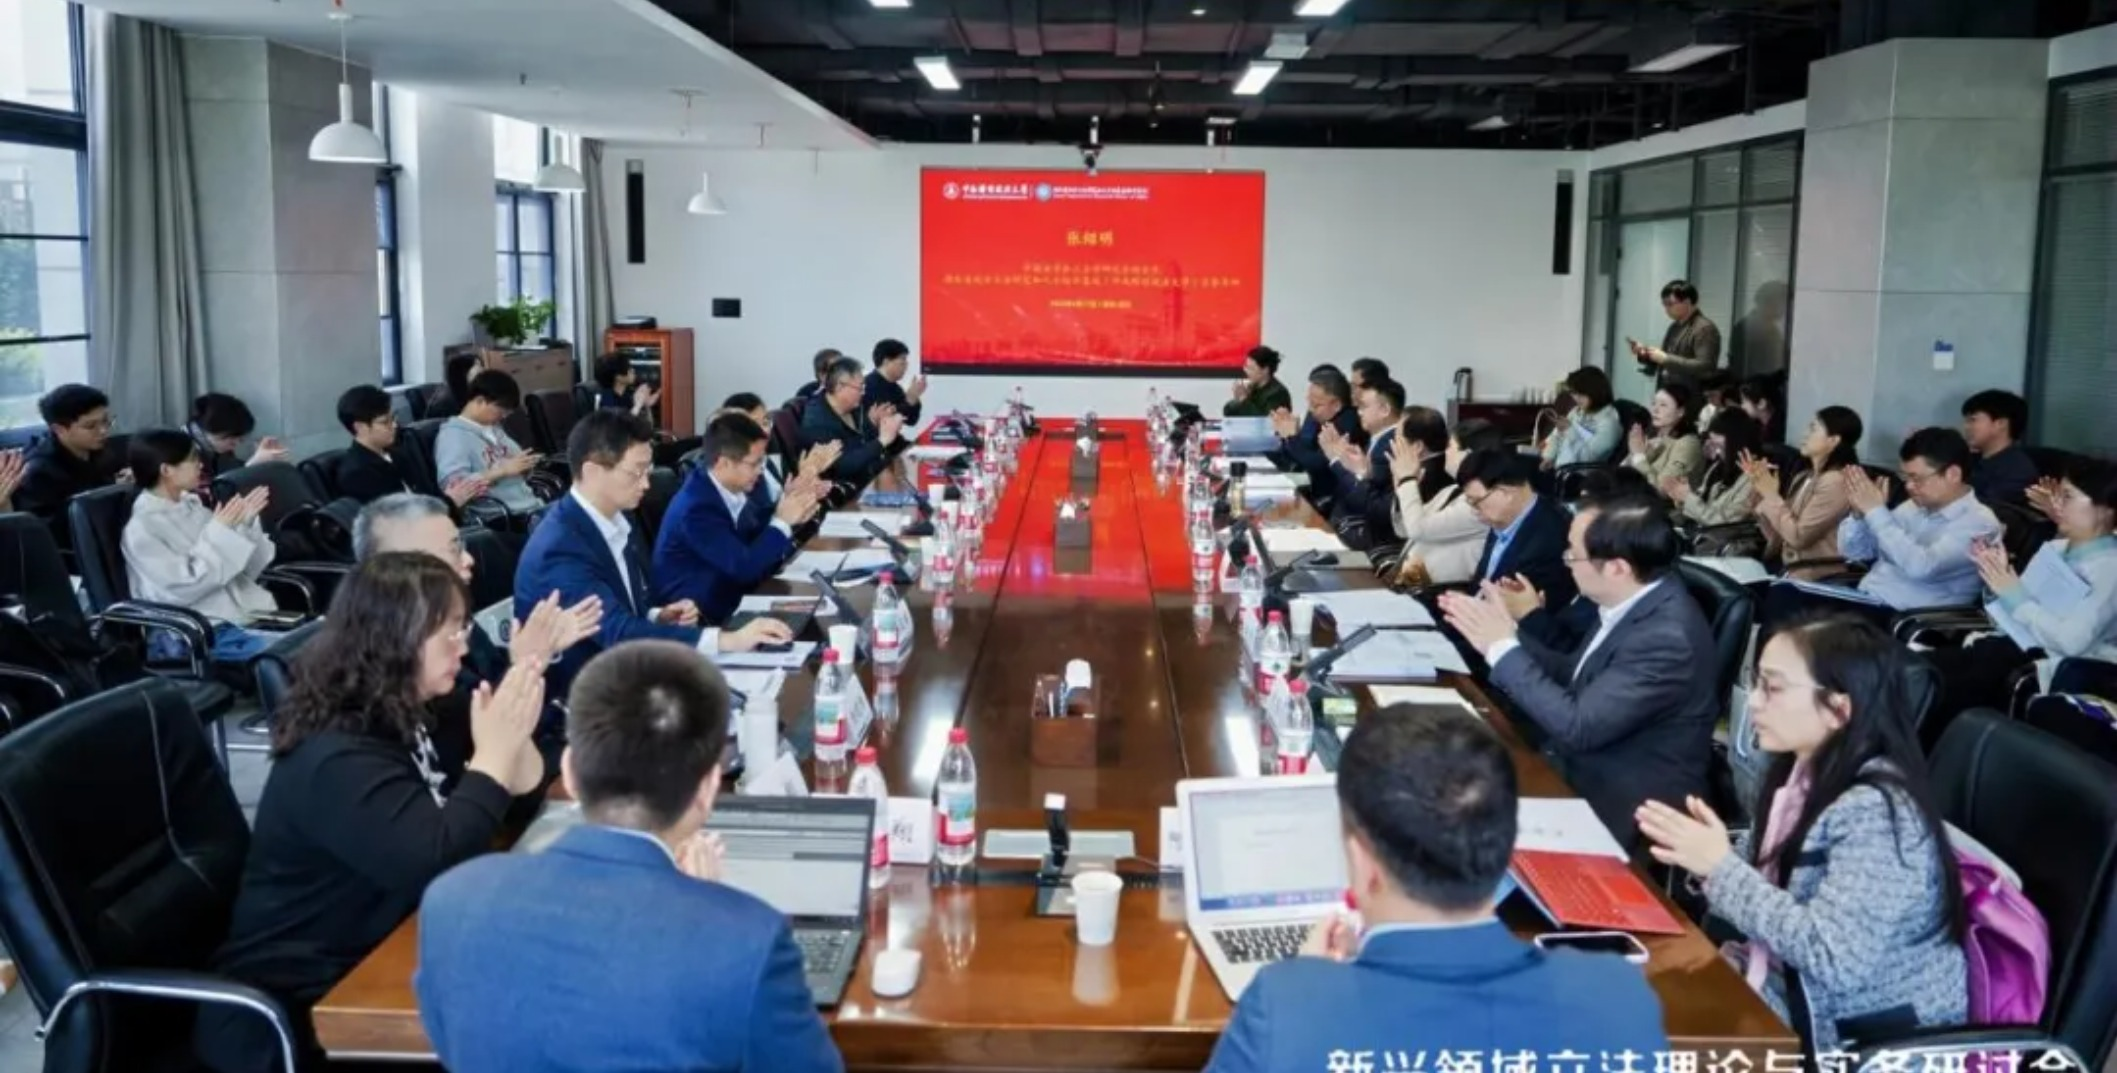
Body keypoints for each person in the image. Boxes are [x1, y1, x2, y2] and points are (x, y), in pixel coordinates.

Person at [415, 641, 844, 1073]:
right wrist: (705, 911)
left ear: (570, 773)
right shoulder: (748, 940)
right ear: (709, 788)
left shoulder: (452, 903)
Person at [194, 553, 549, 1073]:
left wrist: (513, 729)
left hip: (387, 940)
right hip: (300, 1005)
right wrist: (494, 756)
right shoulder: (336, 754)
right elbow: (439, 857)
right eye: (450, 632)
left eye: (464, 628)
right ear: (397, 639)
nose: (463, 646)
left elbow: (525, 792)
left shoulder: (423, 704)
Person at [1204, 705, 1668, 1073]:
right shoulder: (1617, 999)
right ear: (1506, 844)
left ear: (1364, 863)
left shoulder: (1287, 1007)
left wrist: (1308, 981)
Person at [1637, 615, 1967, 1053]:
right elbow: (1766, 880)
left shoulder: (1878, 814)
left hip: (1853, 1036)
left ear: (1838, 709)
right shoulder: (1799, 778)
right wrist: (1702, 858)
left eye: (1772, 688)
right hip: (1784, 990)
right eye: (1756, 683)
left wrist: (1720, 867)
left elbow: (1833, 957)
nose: (1754, 702)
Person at [1442, 491, 1717, 846]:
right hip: (1574, 766)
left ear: (1617, 567)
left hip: (1621, 807)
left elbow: (1578, 726)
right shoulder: (1630, 600)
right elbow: (1574, 674)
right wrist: (1509, 634)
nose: (1567, 563)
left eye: (1573, 554)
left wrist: (1501, 649)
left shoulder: (1666, 637)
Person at [515, 410, 790, 694]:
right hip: (591, 694)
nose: (646, 484)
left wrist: (656, 616)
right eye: (636, 472)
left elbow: (619, 606)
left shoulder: (615, 518)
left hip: (630, 669)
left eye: (648, 470)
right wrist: (728, 640)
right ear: (592, 471)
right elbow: (617, 633)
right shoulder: (561, 548)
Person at [353, 492, 600, 755]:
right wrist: (526, 665)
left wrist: (542, 653)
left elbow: (498, 677)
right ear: (405, 567)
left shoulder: (455, 618)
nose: (468, 559)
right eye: (454, 549)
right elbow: (482, 736)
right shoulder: (402, 666)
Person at [1934, 457, 2117, 735]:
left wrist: (2014, 594)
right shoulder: (2057, 548)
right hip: (2006, 648)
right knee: (1923, 673)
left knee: (1939, 690)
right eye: (2058, 494)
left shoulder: (2109, 569)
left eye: (2067, 496)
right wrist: (1996, 579)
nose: (2056, 504)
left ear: (2105, 509)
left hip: (2054, 666)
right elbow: (2006, 617)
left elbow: (2070, 641)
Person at [120, 429, 281, 664]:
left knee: (325, 643)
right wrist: (222, 532)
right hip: (197, 633)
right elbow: (183, 588)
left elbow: (245, 572)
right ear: (166, 470)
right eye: (193, 459)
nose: (201, 465)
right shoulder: (142, 528)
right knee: (303, 655)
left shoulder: (193, 508)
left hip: (241, 619)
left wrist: (243, 528)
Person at [1805, 428, 2002, 618]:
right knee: (1791, 597)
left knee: (1801, 617)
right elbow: (1856, 552)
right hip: (1866, 599)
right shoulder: (1913, 507)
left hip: (1906, 618)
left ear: (1953, 474)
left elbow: (1922, 567)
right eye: (1906, 477)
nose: (1908, 486)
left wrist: (1876, 511)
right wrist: (1860, 516)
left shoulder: (1980, 523)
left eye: (1917, 478)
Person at [654, 414, 823, 624]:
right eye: (754, 463)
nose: (761, 470)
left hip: (733, 594)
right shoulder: (696, 507)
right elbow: (744, 568)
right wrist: (782, 521)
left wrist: (790, 506)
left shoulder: (728, 487)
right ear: (724, 463)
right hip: (702, 616)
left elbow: (756, 532)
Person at [1743, 406, 1861, 579]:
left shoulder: (1835, 482)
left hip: (1814, 577)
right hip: (1787, 567)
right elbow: (1781, 534)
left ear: (1833, 440)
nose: (1805, 434)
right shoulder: (1806, 476)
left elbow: (1798, 538)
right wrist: (1760, 490)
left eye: (1813, 428)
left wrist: (1772, 496)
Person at [1388, 418, 1502, 587]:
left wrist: (1407, 480)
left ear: (1467, 454)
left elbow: (1418, 529)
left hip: (1437, 591)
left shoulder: (1480, 503)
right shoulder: (1452, 490)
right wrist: (1402, 488)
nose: (1445, 452)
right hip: (1410, 579)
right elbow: (1403, 529)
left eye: (1449, 447)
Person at [13, 383, 127, 551]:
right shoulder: (37, 472)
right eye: (90, 426)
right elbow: (49, 535)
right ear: (59, 429)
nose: (103, 431)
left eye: (105, 421)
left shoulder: (98, 449)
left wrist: (125, 486)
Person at [1458, 447, 1576, 608]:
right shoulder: (1505, 518)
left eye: (1476, 502)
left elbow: (1513, 609)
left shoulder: (1548, 541)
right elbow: (1484, 579)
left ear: (1506, 494)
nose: (1474, 510)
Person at [333, 385, 486, 507]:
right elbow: (399, 518)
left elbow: (427, 494)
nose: (394, 425)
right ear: (360, 427)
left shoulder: (398, 452)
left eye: (393, 418)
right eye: (385, 422)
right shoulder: (357, 473)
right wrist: (450, 502)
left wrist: (453, 496)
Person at [435, 370, 546, 518]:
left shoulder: (494, 429)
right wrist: (502, 471)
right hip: (504, 515)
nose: (504, 416)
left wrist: (526, 465)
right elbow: (455, 488)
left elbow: (515, 463)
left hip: (530, 505)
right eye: (501, 410)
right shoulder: (453, 437)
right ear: (480, 401)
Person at [1320, 379, 1408, 543]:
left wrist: (1337, 461)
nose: (1359, 413)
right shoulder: (1378, 440)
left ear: (1385, 410)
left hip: (1373, 535)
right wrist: (1347, 460)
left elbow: (1365, 501)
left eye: (1364, 407)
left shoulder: (1390, 446)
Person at [800, 356, 903, 487]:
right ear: (840, 386)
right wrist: (882, 440)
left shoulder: (853, 408)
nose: (863, 393)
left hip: (872, 479)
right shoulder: (817, 421)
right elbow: (842, 466)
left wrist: (879, 426)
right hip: (845, 491)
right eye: (860, 387)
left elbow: (865, 444)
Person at [1267, 366, 1362, 503]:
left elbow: (1317, 464)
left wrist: (1291, 438)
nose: (1310, 410)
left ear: (1336, 405)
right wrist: (1284, 435)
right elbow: (1302, 454)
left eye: (1316, 405)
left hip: (1332, 499)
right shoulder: (1321, 417)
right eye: (1309, 403)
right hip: (1312, 488)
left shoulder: (1346, 423)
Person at [1667, 409, 1764, 528]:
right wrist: (1681, 495)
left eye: (1720, 447)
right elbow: (1702, 500)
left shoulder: (1757, 477)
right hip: (1702, 530)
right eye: (1715, 445)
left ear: (1736, 443)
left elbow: (1727, 523)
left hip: (1725, 536)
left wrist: (1688, 498)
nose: (1717, 452)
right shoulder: (1718, 468)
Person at [1630, 279, 1723, 384]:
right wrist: (1646, 354)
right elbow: (1665, 360)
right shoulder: (1675, 326)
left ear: (1687, 302)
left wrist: (1666, 359)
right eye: (1664, 304)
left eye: (1670, 304)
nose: (1666, 309)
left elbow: (1705, 367)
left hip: (1690, 391)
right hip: (1669, 389)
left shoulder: (1704, 328)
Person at [1960, 389, 2039, 508]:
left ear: (2000, 424)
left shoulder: (2017, 470)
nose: (1966, 427)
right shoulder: (1970, 460)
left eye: (1973, 420)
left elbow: (1983, 509)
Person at [188, 392, 288, 480]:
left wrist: (262, 462)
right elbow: (211, 492)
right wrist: (252, 465)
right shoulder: (185, 453)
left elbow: (231, 472)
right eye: (232, 439)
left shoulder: (217, 450)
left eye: (240, 439)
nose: (236, 444)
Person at [1624, 383, 1705, 490]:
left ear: (1680, 412)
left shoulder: (1688, 444)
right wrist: (1634, 454)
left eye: (1663, 405)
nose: (1655, 410)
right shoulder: (1653, 435)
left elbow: (1662, 490)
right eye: (1654, 403)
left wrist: (1639, 456)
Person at [1541, 366, 1622, 469]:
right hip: (1558, 468)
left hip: (1580, 474)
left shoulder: (1609, 423)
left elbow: (1589, 457)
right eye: (1574, 393)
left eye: (1581, 393)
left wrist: (1570, 430)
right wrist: (1549, 457)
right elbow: (1557, 436)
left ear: (1595, 392)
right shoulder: (1576, 412)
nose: (1576, 398)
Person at [1728, 280, 1790, 381]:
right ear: (1771, 302)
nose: (1785, 308)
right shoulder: (1749, 328)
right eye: (1783, 302)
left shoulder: (1771, 328)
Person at [863, 338, 926, 426]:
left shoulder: (896, 388)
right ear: (886, 361)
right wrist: (908, 401)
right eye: (902, 361)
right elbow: (885, 417)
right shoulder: (868, 385)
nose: (906, 365)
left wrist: (914, 398)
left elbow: (911, 420)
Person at [1221, 345, 1292, 418]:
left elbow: (1265, 420)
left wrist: (1244, 399)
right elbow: (1228, 412)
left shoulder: (1278, 393)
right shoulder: (1253, 388)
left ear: (1265, 370)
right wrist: (1238, 400)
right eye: (1246, 366)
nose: (1246, 371)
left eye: (1251, 368)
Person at [593, 353, 661, 418]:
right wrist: (638, 405)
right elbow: (619, 425)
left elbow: (637, 421)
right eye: (628, 368)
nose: (633, 370)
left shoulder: (626, 395)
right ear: (618, 377)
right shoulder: (607, 400)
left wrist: (645, 405)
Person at [428, 351, 485, 420]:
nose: (483, 371)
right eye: (479, 373)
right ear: (464, 373)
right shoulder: (446, 404)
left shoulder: (461, 391)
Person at [1740, 376, 1785, 444]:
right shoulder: (1758, 426)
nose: (1742, 406)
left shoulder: (1779, 431)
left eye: (1745, 401)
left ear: (1761, 403)